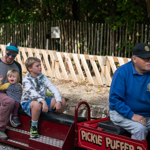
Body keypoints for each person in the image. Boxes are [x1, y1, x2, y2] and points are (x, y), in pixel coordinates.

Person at [109, 43, 150, 141]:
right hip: (123, 114)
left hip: (147, 115)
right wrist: (132, 115)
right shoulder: (122, 72)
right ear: (134, 59)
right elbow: (114, 100)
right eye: (146, 58)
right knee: (140, 129)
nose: (149, 61)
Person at [21, 57, 66, 138]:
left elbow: (54, 89)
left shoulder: (43, 77)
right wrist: (43, 102)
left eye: (40, 65)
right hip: (28, 102)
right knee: (37, 104)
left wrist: (58, 101)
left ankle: (57, 123)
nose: (40, 67)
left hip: (42, 101)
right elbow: (33, 94)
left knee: (62, 100)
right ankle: (34, 127)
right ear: (30, 68)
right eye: (37, 66)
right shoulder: (26, 80)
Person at [0, 42, 22, 140]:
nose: (10, 56)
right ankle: (0, 129)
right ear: (5, 51)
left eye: (13, 55)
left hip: (13, 91)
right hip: (1, 91)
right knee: (9, 101)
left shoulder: (17, 65)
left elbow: (19, 82)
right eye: (9, 53)